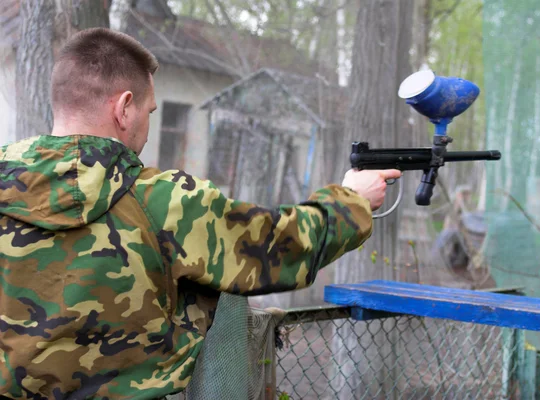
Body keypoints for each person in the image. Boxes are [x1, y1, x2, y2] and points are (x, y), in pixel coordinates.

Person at [0, 28, 401, 399]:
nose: (147, 126)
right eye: (150, 112)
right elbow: (280, 244)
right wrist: (353, 200)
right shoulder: (167, 201)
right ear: (124, 108)